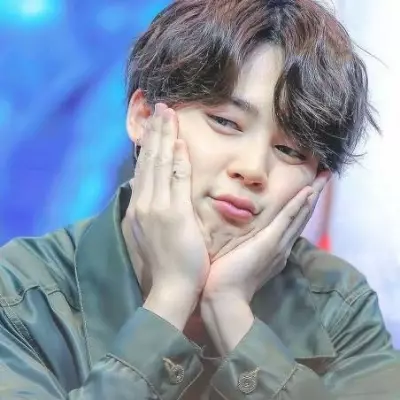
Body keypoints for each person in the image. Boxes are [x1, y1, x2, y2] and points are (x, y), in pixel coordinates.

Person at [0, 0, 399, 399]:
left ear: (318, 179)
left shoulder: (338, 303)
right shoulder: (22, 292)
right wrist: (171, 298)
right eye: (225, 122)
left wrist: (232, 316)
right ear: (143, 117)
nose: (253, 168)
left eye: (290, 151)